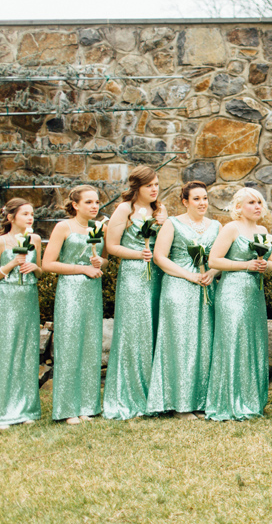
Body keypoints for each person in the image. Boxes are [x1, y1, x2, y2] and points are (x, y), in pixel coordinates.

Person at [148, 181, 221, 419]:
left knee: (204, 343)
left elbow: (220, 258)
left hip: (206, 289)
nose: (202, 203)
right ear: (185, 201)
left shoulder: (216, 226)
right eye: (196, 199)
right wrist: (188, 275)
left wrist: (212, 273)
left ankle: (199, 401)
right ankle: (179, 404)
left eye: (205, 198)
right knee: (180, 344)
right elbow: (159, 257)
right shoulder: (173, 223)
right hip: (178, 288)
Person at [103, 165, 166, 420]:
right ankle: (129, 395)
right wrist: (138, 254)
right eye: (149, 185)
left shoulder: (160, 210)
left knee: (154, 330)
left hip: (157, 275)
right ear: (137, 187)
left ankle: (155, 395)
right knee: (135, 331)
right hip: (133, 274)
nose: (154, 189)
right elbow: (112, 246)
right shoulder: (124, 209)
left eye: (157, 185)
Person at [205, 187, 272, 421]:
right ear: (238, 207)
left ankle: (251, 400)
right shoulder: (231, 228)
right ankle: (228, 401)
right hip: (232, 293)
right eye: (252, 202)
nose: (257, 206)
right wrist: (246, 265)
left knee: (253, 343)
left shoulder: (263, 230)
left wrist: (265, 266)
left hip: (255, 294)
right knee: (233, 342)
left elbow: (271, 264)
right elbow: (214, 260)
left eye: (259, 202)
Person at [43, 185, 109, 424]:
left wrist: (100, 261)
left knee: (90, 347)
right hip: (70, 292)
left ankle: (87, 406)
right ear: (75, 205)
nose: (94, 206)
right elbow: (48, 263)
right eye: (89, 202)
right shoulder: (64, 227)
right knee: (70, 346)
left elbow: (106, 262)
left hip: (93, 293)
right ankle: (67, 408)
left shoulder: (99, 228)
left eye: (97, 202)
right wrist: (82, 268)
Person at [0, 198, 42, 429]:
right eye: (25, 214)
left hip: (29, 298)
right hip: (8, 299)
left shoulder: (36, 240)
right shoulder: (0, 242)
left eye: (32, 214)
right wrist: (12, 264)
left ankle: (27, 409)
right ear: (11, 217)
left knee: (28, 353)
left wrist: (34, 268)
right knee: (8, 352)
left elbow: (40, 273)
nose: (30, 217)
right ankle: (3, 413)